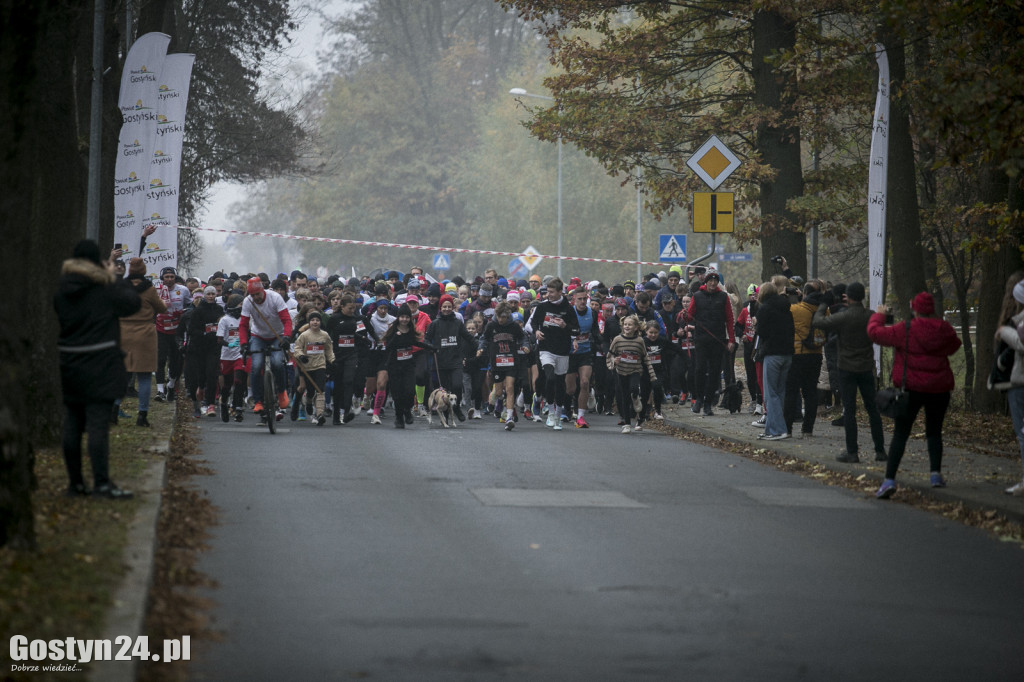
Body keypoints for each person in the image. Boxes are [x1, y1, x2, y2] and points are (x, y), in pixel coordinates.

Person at [54, 240, 141, 499]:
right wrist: (113, 276)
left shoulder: (62, 290)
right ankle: (101, 484)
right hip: (101, 361)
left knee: (72, 422)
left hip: (70, 361)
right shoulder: (104, 289)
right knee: (97, 425)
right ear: (98, 262)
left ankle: (76, 484)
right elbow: (131, 304)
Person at [868, 292, 962, 499]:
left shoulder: (906, 329)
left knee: (901, 433)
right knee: (934, 432)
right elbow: (955, 346)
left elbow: (875, 334)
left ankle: (889, 480)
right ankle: (935, 474)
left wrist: (879, 315)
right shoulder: (944, 329)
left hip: (911, 389)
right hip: (939, 388)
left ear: (914, 308)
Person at [811, 282, 886, 463]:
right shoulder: (871, 316)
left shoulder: (844, 317)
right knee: (872, 410)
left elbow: (818, 322)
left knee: (850, 411)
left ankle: (852, 451)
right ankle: (880, 450)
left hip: (846, 368)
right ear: (863, 296)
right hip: (866, 368)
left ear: (848, 297)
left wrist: (824, 304)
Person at [118, 257, 167, 427]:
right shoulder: (149, 289)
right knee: (144, 375)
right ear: (144, 271)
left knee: (121, 374)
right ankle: (142, 415)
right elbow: (162, 308)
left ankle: (113, 410)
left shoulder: (120, 287)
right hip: (144, 335)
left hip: (122, 332)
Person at [527, 277, 580, 430]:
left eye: (551, 292)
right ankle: (550, 412)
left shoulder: (568, 308)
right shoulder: (542, 307)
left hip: (562, 350)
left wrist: (564, 325)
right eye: (547, 292)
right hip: (546, 348)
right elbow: (533, 322)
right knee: (549, 378)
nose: (548, 295)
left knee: (560, 382)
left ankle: (558, 415)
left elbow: (576, 329)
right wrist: (536, 331)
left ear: (559, 292)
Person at [683, 268, 735, 416]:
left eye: (715, 281)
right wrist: (685, 316)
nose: (713, 283)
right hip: (701, 339)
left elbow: (730, 319)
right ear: (706, 282)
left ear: (718, 283)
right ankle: (698, 398)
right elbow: (690, 315)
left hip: (717, 339)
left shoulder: (723, 297)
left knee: (714, 371)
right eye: (710, 280)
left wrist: (731, 339)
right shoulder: (698, 296)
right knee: (699, 369)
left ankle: (708, 403)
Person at [239, 276, 293, 418]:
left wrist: (287, 337)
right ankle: (258, 401)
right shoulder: (247, 302)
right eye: (253, 295)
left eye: (258, 294)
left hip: (277, 335)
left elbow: (287, 320)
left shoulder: (275, 298)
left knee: (277, 363)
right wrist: (244, 343)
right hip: (258, 336)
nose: (256, 297)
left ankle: (281, 392)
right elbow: (243, 325)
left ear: (263, 290)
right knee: (255, 366)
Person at [382, 304, 437, 428]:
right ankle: (399, 417)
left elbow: (416, 342)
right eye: (402, 317)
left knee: (409, 391)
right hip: (395, 367)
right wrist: (396, 337)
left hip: (408, 366)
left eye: (407, 317)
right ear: (398, 318)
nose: (404, 319)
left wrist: (430, 348)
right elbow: (388, 347)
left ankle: (407, 410)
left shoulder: (411, 331)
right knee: (397, 393)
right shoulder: (393, 331)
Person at [783, 282, 825, 438]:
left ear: (805, 294)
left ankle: (787, 428)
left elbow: (784, 309)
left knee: (791, 392)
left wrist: (786, 295)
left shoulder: (795, 309)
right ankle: (808, 429)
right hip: (816, 354)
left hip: (797, 354)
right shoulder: (823, 310)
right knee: (811, 392)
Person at [754, 282, 794, 441]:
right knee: (780, 392)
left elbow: (762, 332)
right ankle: (771, 428)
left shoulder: (764, 309)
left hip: (772, 353)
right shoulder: (786, 307)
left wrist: (757, 325)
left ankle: (778, 430)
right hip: (787, 353)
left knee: (770, 394)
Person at [425, 294, 475, 422]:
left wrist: (480, 347)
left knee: (457, 386)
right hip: (440, 363)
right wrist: (431, 347)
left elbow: (468, 337)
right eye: (444, 307)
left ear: (452, 308)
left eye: (449, 307)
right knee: (444, 391)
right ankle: (446, 416)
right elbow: (426, 340)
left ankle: (456, 407)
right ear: (440, 308)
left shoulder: (458, 323)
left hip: (455, 362)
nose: (447, 309)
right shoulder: (435, 324)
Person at [479, 302, 529, 430]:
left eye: (504, 317)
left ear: (508, 316)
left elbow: (523, 338)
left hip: (511, 361)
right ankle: (500, 402)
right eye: (499, 316)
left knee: (510, 387)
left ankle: (509, 417)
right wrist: (481, 348)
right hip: (497, 361)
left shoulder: (514, 326)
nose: (501, 320)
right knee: (500, 391)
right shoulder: (491, 325)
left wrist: (525, 346)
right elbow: (484, 339)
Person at [607, 314, 660, 434]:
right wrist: (613, 362)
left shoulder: (639, 341)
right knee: (625, 397)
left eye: (630, 324)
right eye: (625, 324)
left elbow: (646, 358)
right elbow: (609, 355)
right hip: (621, 371)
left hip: (635, 370)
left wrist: (652, 374)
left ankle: (636, 397)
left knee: (634, 388)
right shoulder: (617, 340)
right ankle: (626, 424)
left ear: (636, 327)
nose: (627, 326)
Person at [996, 277, 1024, 495]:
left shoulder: (1019, 322)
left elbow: (1021, 343)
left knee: (1022, 432)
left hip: (1020, 381)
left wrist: (1004, 332)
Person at [292, 310, 335, 425]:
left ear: (320, 322)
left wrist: (332, 360)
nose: (315, 322)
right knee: (310, 391)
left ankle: (320, 413)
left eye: (317, 320)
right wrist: (301, 356)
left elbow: (329, 350)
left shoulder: (325, 335)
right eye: (312, 320)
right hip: (307, 367)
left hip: (320, 366)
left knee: (320, 389)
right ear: (309, 322)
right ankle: (309, 402)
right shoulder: (304, 335)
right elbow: (297, 349)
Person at [154, 266, 190, 401]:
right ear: (162, 278)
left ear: (175, 278)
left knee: (176, 360)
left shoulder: (183, 290)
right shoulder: (156, 291)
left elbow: (190, 305)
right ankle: (160, 391)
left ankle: (171, 384)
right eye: (166, 277)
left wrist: (182, 313)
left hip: (176, 329)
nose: (169, 280)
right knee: (161, 358)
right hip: (161, 328)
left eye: (172, 277)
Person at [217, 294, 247, 422]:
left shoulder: (245, 319)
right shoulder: (224, 320)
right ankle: (224, 404)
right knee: (227, 385)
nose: (242, 308)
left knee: (239, 381)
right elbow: (219, 339)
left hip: (240, 354)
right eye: (240, 305)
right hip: (226, 356)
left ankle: (238, 407)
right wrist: (228, 344)